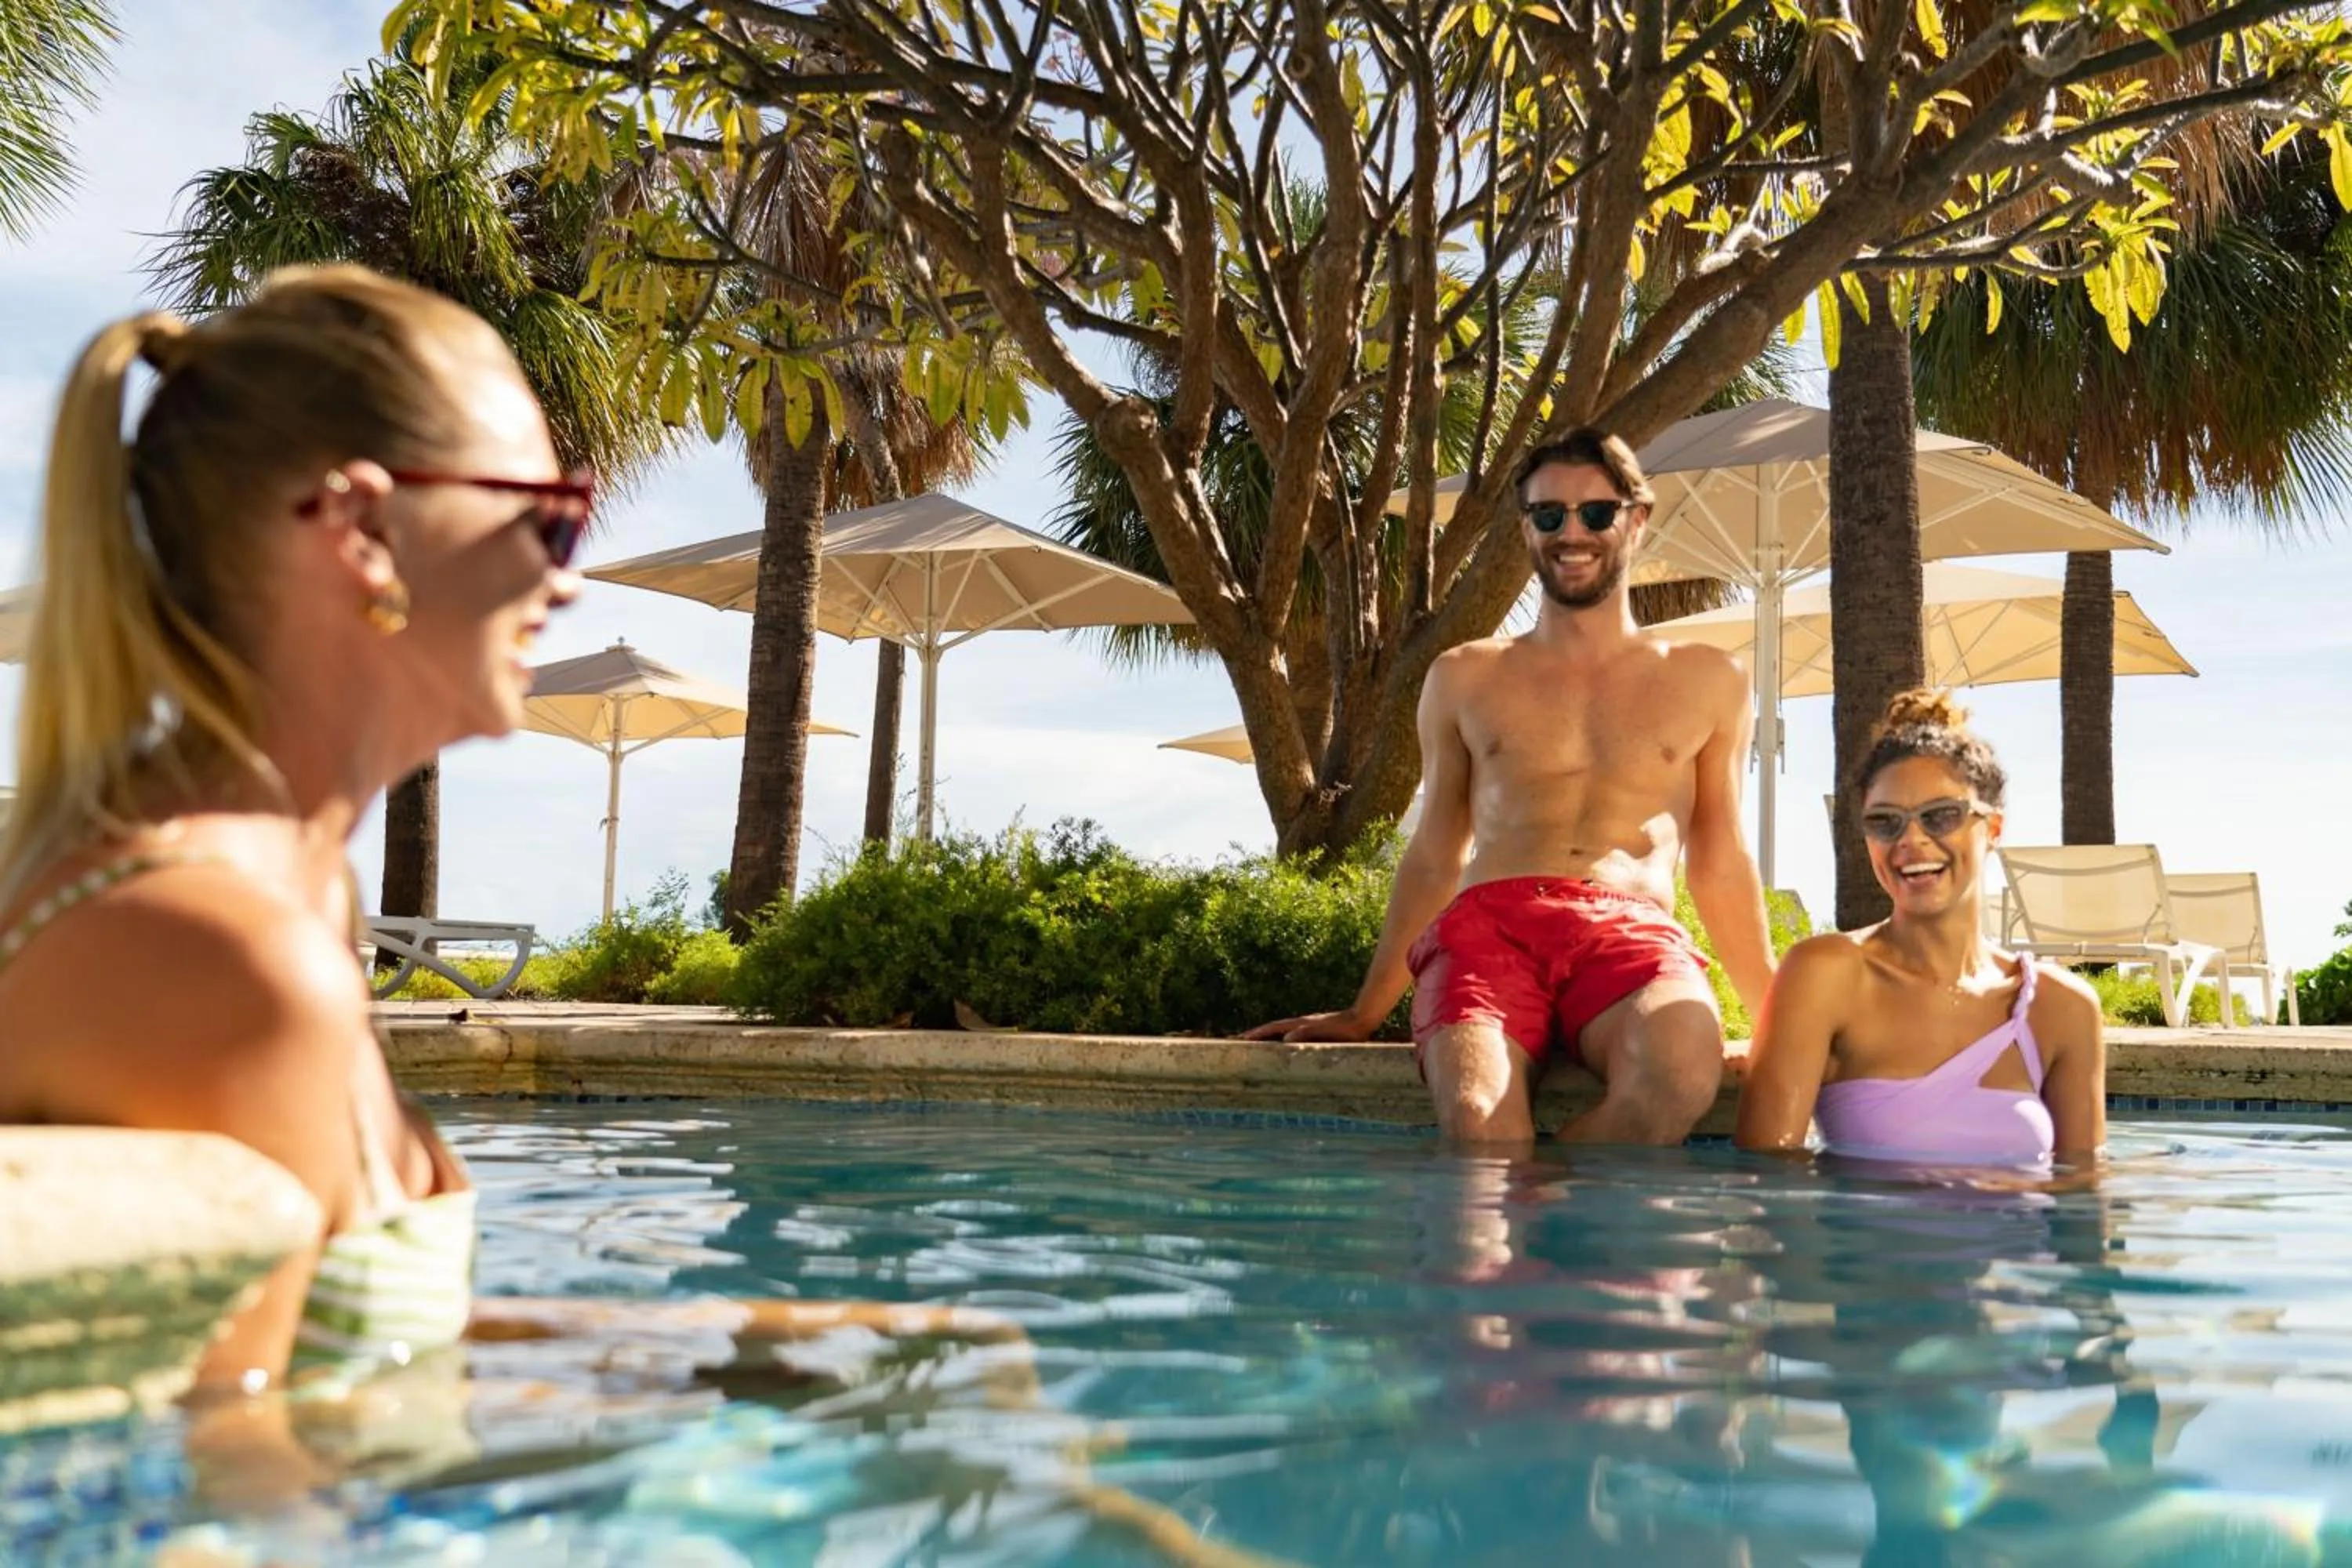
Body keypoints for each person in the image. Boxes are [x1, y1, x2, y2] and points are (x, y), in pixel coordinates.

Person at [0, 267, 1011, 1396]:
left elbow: (345, 1355)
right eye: (548, 518)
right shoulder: (212, 955)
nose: (564, 582)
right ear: (363, 528)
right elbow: (237, 1466)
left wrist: (771, 1346)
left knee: (966, 1373)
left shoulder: (290, 892)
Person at [1249, 428, 1775, 1146]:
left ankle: (1531, 1206)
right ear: (1525, 527)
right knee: (1479, 1122)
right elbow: (1435, 853)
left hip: (1632, 937)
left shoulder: (1710, 679)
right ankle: (1522, 1202)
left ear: (1637, 519)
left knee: (1678, 1082)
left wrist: (1773, 1018)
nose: (1571, 533)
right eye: (1548, 515)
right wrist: (1366, 1010)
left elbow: (1721, 857)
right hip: (1487, 932)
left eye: (1597, 512)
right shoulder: (1464, 675)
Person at [1735, 689, 2107, 1165]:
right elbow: (1770, 1174)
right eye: (1884, 822)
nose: (1911, 840)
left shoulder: (2060, 1007)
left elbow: (2080, 1193)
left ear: (1993, 829)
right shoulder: (1827, 975)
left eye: (1941, 816)